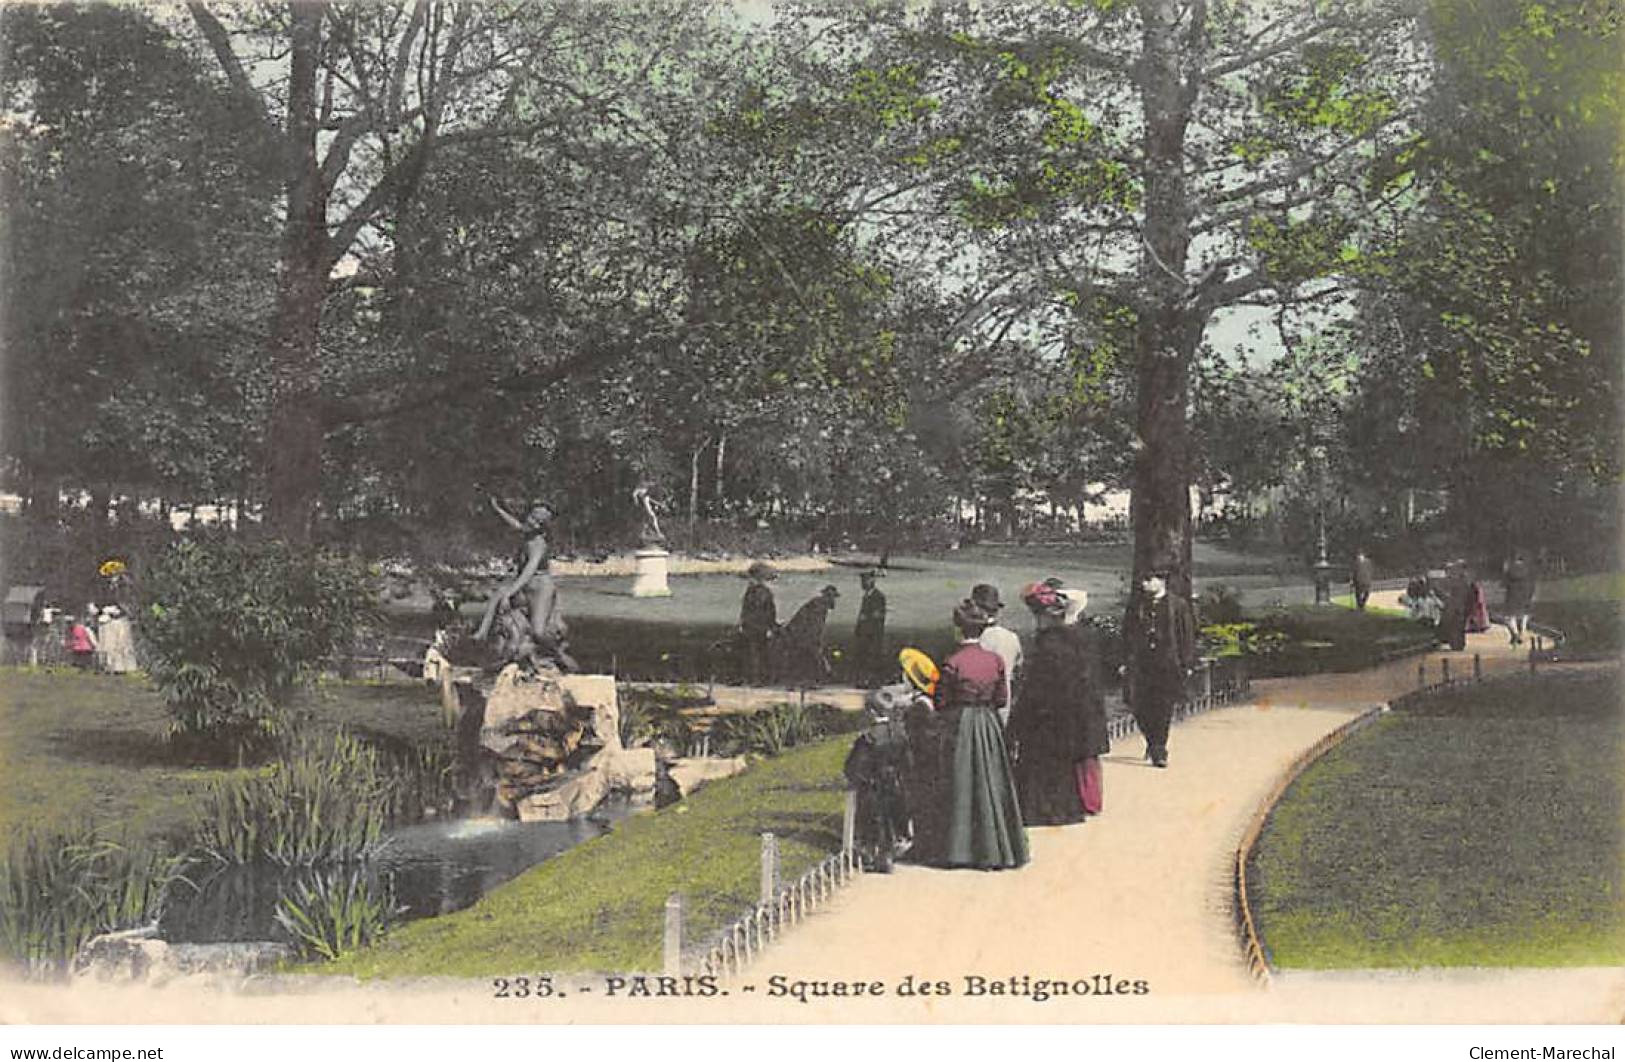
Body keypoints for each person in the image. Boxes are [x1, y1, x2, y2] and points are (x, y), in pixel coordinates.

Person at [932, 601, 1028, 870]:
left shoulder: (952, 662)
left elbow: (941, 702)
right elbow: (1001, 699)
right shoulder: (994, 660)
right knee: (992, 781)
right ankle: (996, 848)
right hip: (988, 724)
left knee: (961, 781)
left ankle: (959, 849)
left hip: (961, 724)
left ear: (958, 630)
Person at [1007, 582, 1109, 825]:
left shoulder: (1049, 645)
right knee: (1062, 764)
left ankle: (1044, 809)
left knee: (1042, 763)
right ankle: (1066, 807)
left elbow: (1036, 687)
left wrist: (1018, 721)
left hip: (1047, 714)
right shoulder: (1076, 639)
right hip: (1069, 713)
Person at [474, 496, 574, 670]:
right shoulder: (526, 533)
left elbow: (529, 570)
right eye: (533, 518)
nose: (534, 523)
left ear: (544, 527)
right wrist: (498, 509)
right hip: (526, 586)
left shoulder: (538, 543)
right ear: (528, 515)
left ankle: (558, 653)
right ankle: (482, 632)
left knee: (538, 631)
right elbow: (515, 524)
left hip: (540, 588)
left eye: (539, 522)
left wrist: (511, 592)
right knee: (498, 594)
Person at [1122, 570, 1197, 768]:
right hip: (1141, 663)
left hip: (1167, 663)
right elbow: (1127, 634)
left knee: (1163, 706)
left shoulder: (1178, 605)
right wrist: (1123, 660)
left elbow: (1186, 635)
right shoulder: (1137, 605)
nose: (1145, 583)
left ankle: (1159, 749)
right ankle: (1152, 740)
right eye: (1144, 579)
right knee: (1139, 706)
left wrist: (1187, 662)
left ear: (1161, 581)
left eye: (1149, 579)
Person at [843, 685, 915, 872]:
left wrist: (854, 776)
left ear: (871, 712)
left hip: (873, 784)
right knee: (892, 816)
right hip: (895, 782)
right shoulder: (899, 734)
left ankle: (873, 853)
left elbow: (854, 765)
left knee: (873, 818)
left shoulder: (868, 738)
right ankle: (890, 851)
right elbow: (908, 761)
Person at [971, 583, 1021, 726]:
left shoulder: (976, 639)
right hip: (1005, 706)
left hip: (980, 710)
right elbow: (1017, 672)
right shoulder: (1011, 637)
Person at [780, 585, 839, 683]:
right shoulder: (819, 606)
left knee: (808, 658)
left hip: (802, 634)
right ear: (828, 596)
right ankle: (813, 679)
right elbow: (814, 625)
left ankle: (808, 679)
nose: (834, 601)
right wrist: (816, 640)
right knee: (809, 658)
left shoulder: (818, 604)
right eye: (833, 597)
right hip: (803, 635)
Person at [738, 561, 779, 684]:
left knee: (756, 653)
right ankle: (759, 679)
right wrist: (771, 626)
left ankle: (757, 678)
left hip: (754, 625)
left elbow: (762, 610)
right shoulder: (761, 591)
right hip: (757, 626)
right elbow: (767, 611)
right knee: (758, 653)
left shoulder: (756, 591)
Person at [851, 570, 888, 685]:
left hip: (873, 635)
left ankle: (872, 681)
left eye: (865, 580)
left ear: (872, 580)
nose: (862, 583)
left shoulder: (878, 596)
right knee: (864, 657)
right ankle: (865, 680)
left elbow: (878, 616)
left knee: (872, 658)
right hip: (865, 634)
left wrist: (865, 619)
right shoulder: (867, 596)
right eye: (862, 581)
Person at [1501, 550, 1537, 645]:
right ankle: (1522, 632)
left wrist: (1505, 572)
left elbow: (1504, 584)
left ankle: (1515, 633)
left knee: (1509, 617)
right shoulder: (1528, 569)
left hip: (1513, 594)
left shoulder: (1509, 569)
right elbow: (1532, 583)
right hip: (1526, 594)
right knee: (1524, 615)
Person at [1436, 561, 1471, 651]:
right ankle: (1454, 643)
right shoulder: (1446, 581)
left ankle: (1458, 644)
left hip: (1458, 607)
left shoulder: (1461, 580)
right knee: (1454, 625)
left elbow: (1466, 594)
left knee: (1458, 626)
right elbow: (1440, 591)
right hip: (1452, 606)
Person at [96, 606, 138, 674]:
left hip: (113, 641)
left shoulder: (117, 623)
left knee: (116, 655)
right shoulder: (114, 623)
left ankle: (116, 668)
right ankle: (114, 668)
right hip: (112, 641)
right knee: (113, 655)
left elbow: (121, 633)